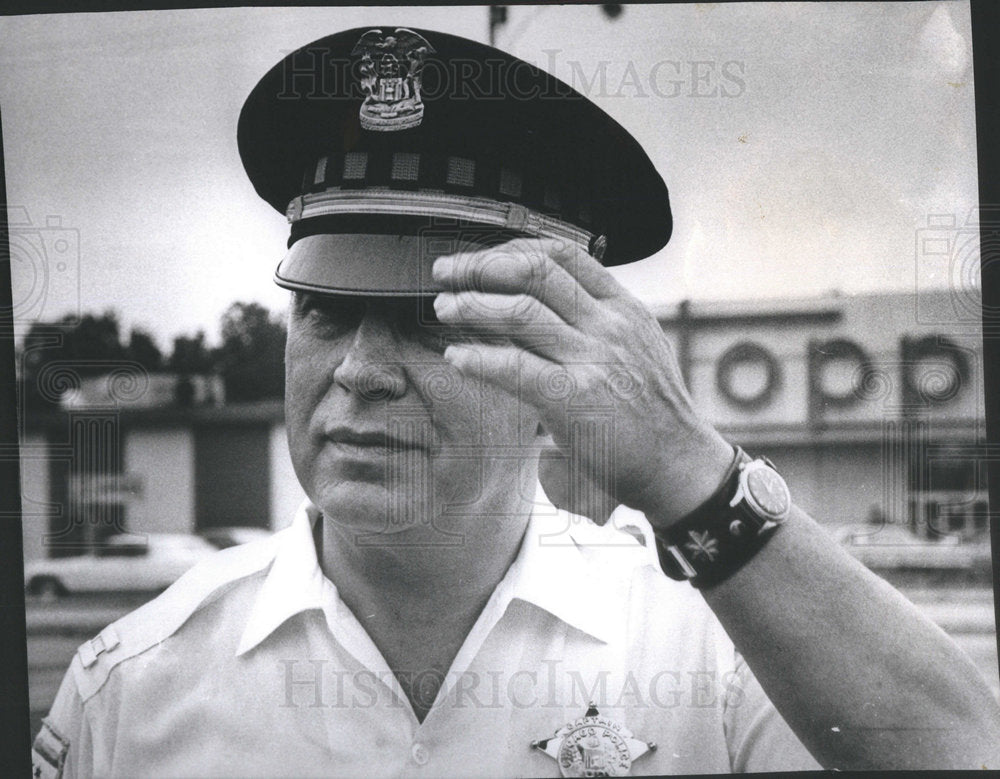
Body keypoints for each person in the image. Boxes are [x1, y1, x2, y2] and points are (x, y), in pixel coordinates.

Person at [33, 26, 1000, 777]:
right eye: (325, 309)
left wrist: (691, 471)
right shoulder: (133, 686)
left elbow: (964, 753)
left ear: (560, 365)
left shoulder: (710, 652)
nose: (361, 369)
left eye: (428, 316)